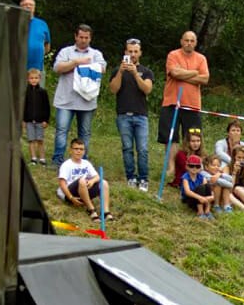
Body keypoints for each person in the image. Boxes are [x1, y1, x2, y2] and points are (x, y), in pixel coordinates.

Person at [50, 24, 105, 165]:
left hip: (86, 101)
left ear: (90, 38)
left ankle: (82, 160)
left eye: (86, 37)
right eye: (81, 37)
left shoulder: (95, 54)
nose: (83, 40)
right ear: (75, 36)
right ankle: (57, 160)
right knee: (62, 130)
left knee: (85, 133)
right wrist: (76, 62)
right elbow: (57, 68)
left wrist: (84, 66)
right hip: (65, 100)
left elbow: (102, 68)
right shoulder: (66, 52)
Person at [108, 37, 154, 191]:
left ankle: (143, 179)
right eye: (130, 51)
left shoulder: (146, 71)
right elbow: (113, 89)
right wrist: (121, 72)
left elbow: (147, 89)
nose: (133, 54)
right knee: (127, 148)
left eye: (135, 52)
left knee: (142, 149)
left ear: (140, 53)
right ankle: (131, 177)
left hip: (141, 115)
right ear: (125, 52)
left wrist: (135, 74)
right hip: (123, 115)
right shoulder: (117, 70)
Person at [159, 31, 209, 157]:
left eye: (192, 41)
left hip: (192, 104)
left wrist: (183, 75)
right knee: (171, 137)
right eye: (186, 40)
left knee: (193, 137)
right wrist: (194, 72)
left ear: (196, 43)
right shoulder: (173, 55)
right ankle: (172, 168)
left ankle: (192, 165)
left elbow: (205, 79)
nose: (189, 43)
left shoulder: (201, 58)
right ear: (181, 41)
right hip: (172, 102)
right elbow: (175, 73)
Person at [57, 137, 112, 221]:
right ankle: (91, 211)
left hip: (84, 189)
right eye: (76, 149)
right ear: (70, 150)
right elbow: (62, 184)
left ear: (84, 151)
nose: (79, 151)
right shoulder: (66, 164)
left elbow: (97, 177)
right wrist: (71, 198)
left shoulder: (86, 163)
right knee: (82, 180)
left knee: (104, 182)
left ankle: (106, 212)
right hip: (71, 193)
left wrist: (92, 181)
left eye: (81, 149)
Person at [20, 0, 50, 84]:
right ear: (20, 7)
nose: (28, 6)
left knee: (36, 95)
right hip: (18, 68)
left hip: (37, 69)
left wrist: (37, 52)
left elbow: (47, 46)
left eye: (31, 5)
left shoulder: (42, 24)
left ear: (34, 7)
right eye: (25, 4)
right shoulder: (14, 22)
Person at [23, 68, 49, 165]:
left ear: (39, 79)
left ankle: (42, 158)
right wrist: (24, 120)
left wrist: (46, 120)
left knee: (40, 139)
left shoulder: (43, 92)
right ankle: (33, 158)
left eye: (36, 78)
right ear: (28, 79)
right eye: (31, 78)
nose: (34, 80)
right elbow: (24, 107)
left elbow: (46, 107)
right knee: (31, 139)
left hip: (40, 120)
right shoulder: (26, 92)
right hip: (29, 120)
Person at [180, 154, 214, 220]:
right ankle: (200, 212)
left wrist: (212, 196)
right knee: (200, 188)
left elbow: (207, 188)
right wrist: (200, 197)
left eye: (197, 166)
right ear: (187, 166)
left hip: (202, 199)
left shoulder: (201, 177)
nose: (194, 168)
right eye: (191, 166)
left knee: (207, 186)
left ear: (200, 168)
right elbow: (187, 192)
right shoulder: (185, 177)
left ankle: (207, 210)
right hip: (190, 199)